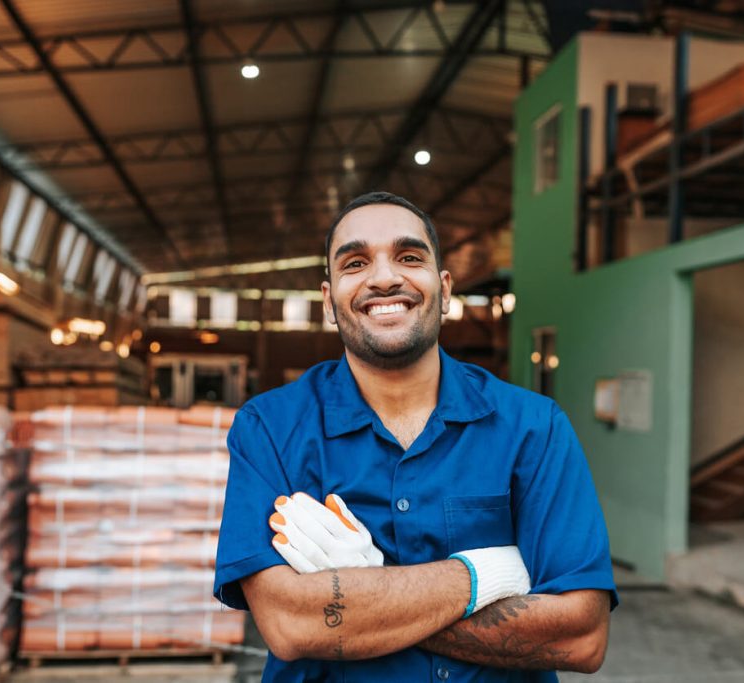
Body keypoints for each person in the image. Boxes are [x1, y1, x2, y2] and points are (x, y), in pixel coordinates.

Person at [213, 191, 617, 682]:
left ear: (445, 290)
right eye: (356, 262)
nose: (384, 278)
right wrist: (485, 577)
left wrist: (364, 590)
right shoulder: (269, 429)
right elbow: (290, 623)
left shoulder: (534, 427)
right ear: (328, 301)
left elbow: (580, 636)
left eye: (408, 257)